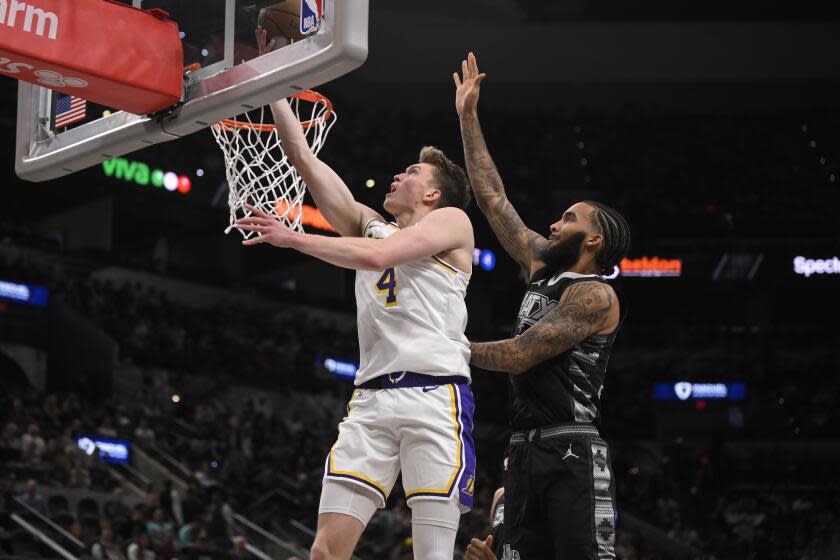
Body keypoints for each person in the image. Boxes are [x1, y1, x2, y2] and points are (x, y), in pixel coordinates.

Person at [235, 30, 477, 560]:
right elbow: (302, 155)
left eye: (411, 172)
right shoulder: (371, 226)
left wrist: (292, 237)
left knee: (432, 556)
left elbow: (375, 259)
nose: (397, 174)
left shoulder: (453, 223)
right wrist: (273, 75)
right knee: (325, 552)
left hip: (434, 398)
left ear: (433, 194)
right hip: (369, 400)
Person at [455, 52, 631, 559]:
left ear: (593, 239)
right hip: (522, 445)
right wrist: (468, 117)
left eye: (567, 218)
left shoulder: (595, 296)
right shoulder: (542, 264)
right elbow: (492, 197)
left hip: (572, 446)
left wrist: (449, 346)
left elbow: (520, 354)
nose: (554, 223)